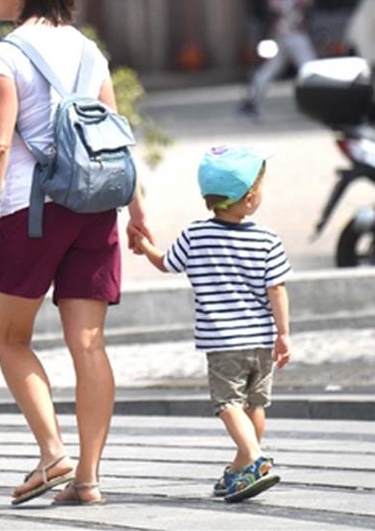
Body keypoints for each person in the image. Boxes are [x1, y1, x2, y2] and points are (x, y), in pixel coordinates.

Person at [0, 0, 151, 506]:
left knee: (9, 337)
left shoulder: (5, 55)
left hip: (33, 211)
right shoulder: (89, 51)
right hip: (97, 207)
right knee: (89, 343)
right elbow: (116, 137)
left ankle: (54, 454)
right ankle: (89, 479)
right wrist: (137, 211)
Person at [129, 145, 292, 503]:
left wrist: (144, 244)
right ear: (249, 199)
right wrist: (283, 334)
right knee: (255, 405)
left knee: (227, 403)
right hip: (261, 340)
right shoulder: (267, 240)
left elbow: (167, 263)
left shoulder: (196, 235)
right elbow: (277, 289)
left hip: (222, 342)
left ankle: (252, 458)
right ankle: (242, 466)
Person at [239, 0, 316, 118]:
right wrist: (266, 33)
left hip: (293, 31)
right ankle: (323, 99)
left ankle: (252, 99)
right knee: (310, 66)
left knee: (273, 68)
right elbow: (273, 8)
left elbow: (307, 5)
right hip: (289, 32)